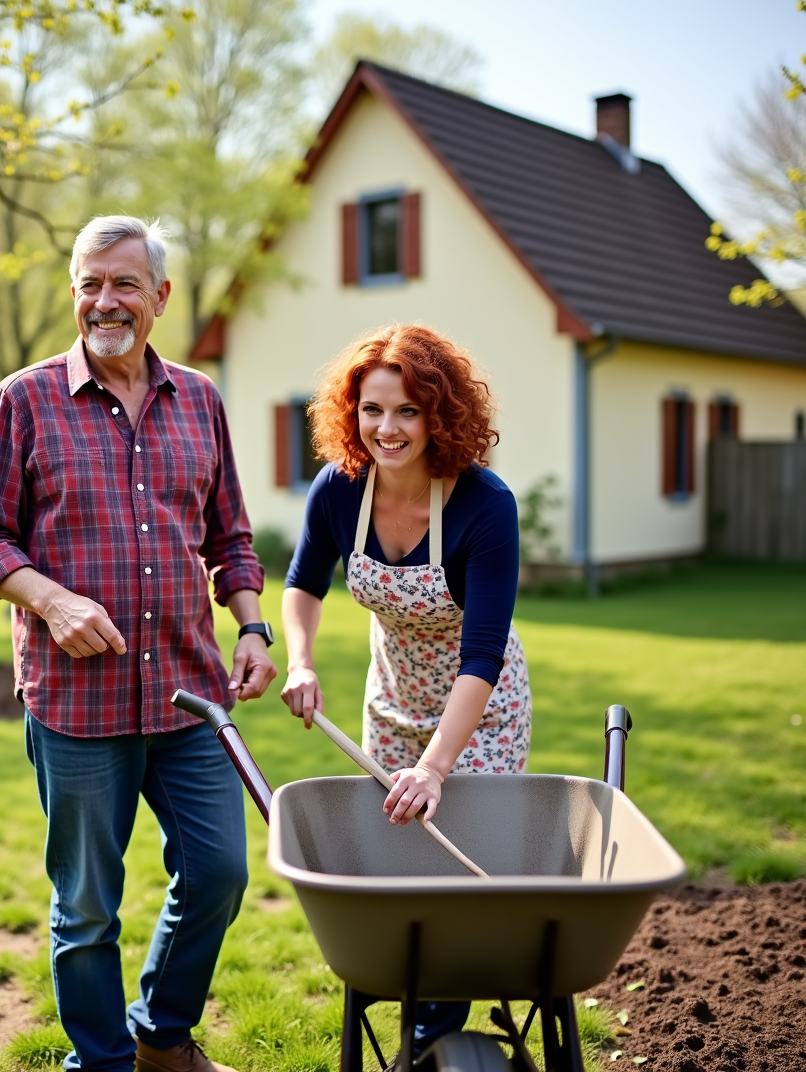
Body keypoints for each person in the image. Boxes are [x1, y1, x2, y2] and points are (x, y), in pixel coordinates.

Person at [0, 216, 277, 1072]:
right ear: (74, 293)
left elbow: (231, 538)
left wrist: (251, 624)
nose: (107, 301)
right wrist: (50, 600)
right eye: (92, 283)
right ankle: (99, 1063)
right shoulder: (23, 399)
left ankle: (161, 1035)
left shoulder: (201, 400)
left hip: (189, 692)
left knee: (219, 874)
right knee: (87, 907)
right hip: (75, 704)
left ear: (160, 297)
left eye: (126, 284)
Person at [278, 324, 530, 1058]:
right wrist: (300, 661)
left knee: (457, 859)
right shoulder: (340, 488)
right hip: (390, 701)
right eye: (372, 410)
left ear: (439, 414)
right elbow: (300, 583)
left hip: (480, 710)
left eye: (408, 411)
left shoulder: (485, 505)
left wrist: (437, 764)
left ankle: (439, 1020)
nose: (387, 429)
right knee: (396, 857)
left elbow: (481, 653)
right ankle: (410, 984)